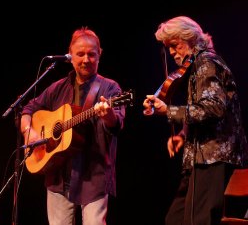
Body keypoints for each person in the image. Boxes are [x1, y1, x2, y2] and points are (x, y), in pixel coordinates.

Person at [142, 16, 248, 225]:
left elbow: (213, 108)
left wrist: (168, 111)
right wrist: (183, 134)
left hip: (213, 156)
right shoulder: (197, 66)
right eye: (168, 47)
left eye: (174, 45)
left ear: (190, 39)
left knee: (200, 221)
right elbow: (202, 111)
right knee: (175, 220)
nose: (171, 52)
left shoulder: (206, 62)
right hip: (199, 158)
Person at [20, 27, 126, 225]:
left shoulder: (110, 88)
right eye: (80, 54)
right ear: (70, 56)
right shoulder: (58, 87)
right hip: (58, 175)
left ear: (99, 55)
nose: (86, 59)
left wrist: (108, 115)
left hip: (93, 175)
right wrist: (28, 132)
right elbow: (27, 110)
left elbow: (117, 125)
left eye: (91, 54)